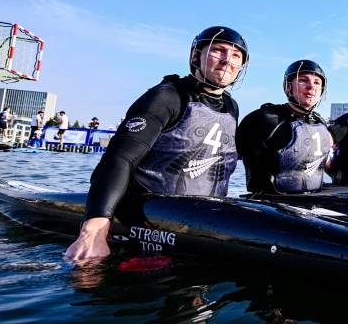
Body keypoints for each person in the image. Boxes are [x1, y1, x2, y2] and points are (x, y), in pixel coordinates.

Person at [65, 26, 248, 262]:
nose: (227, 61)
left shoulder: (231, 107)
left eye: (235, 56)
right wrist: (94, 229)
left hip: (203, 218)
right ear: (195, 56)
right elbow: (119, 158)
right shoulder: (166, 96)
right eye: (218, 51)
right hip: (148, 213)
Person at [236, 60, 332, 193]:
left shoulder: (320, 122)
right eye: (303, 81)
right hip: (271, 205)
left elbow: (324, 161)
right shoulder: (263, 118)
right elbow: (229, 159)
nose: (311, 87)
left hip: (313, 203)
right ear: (288, 87)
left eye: (317, 83)